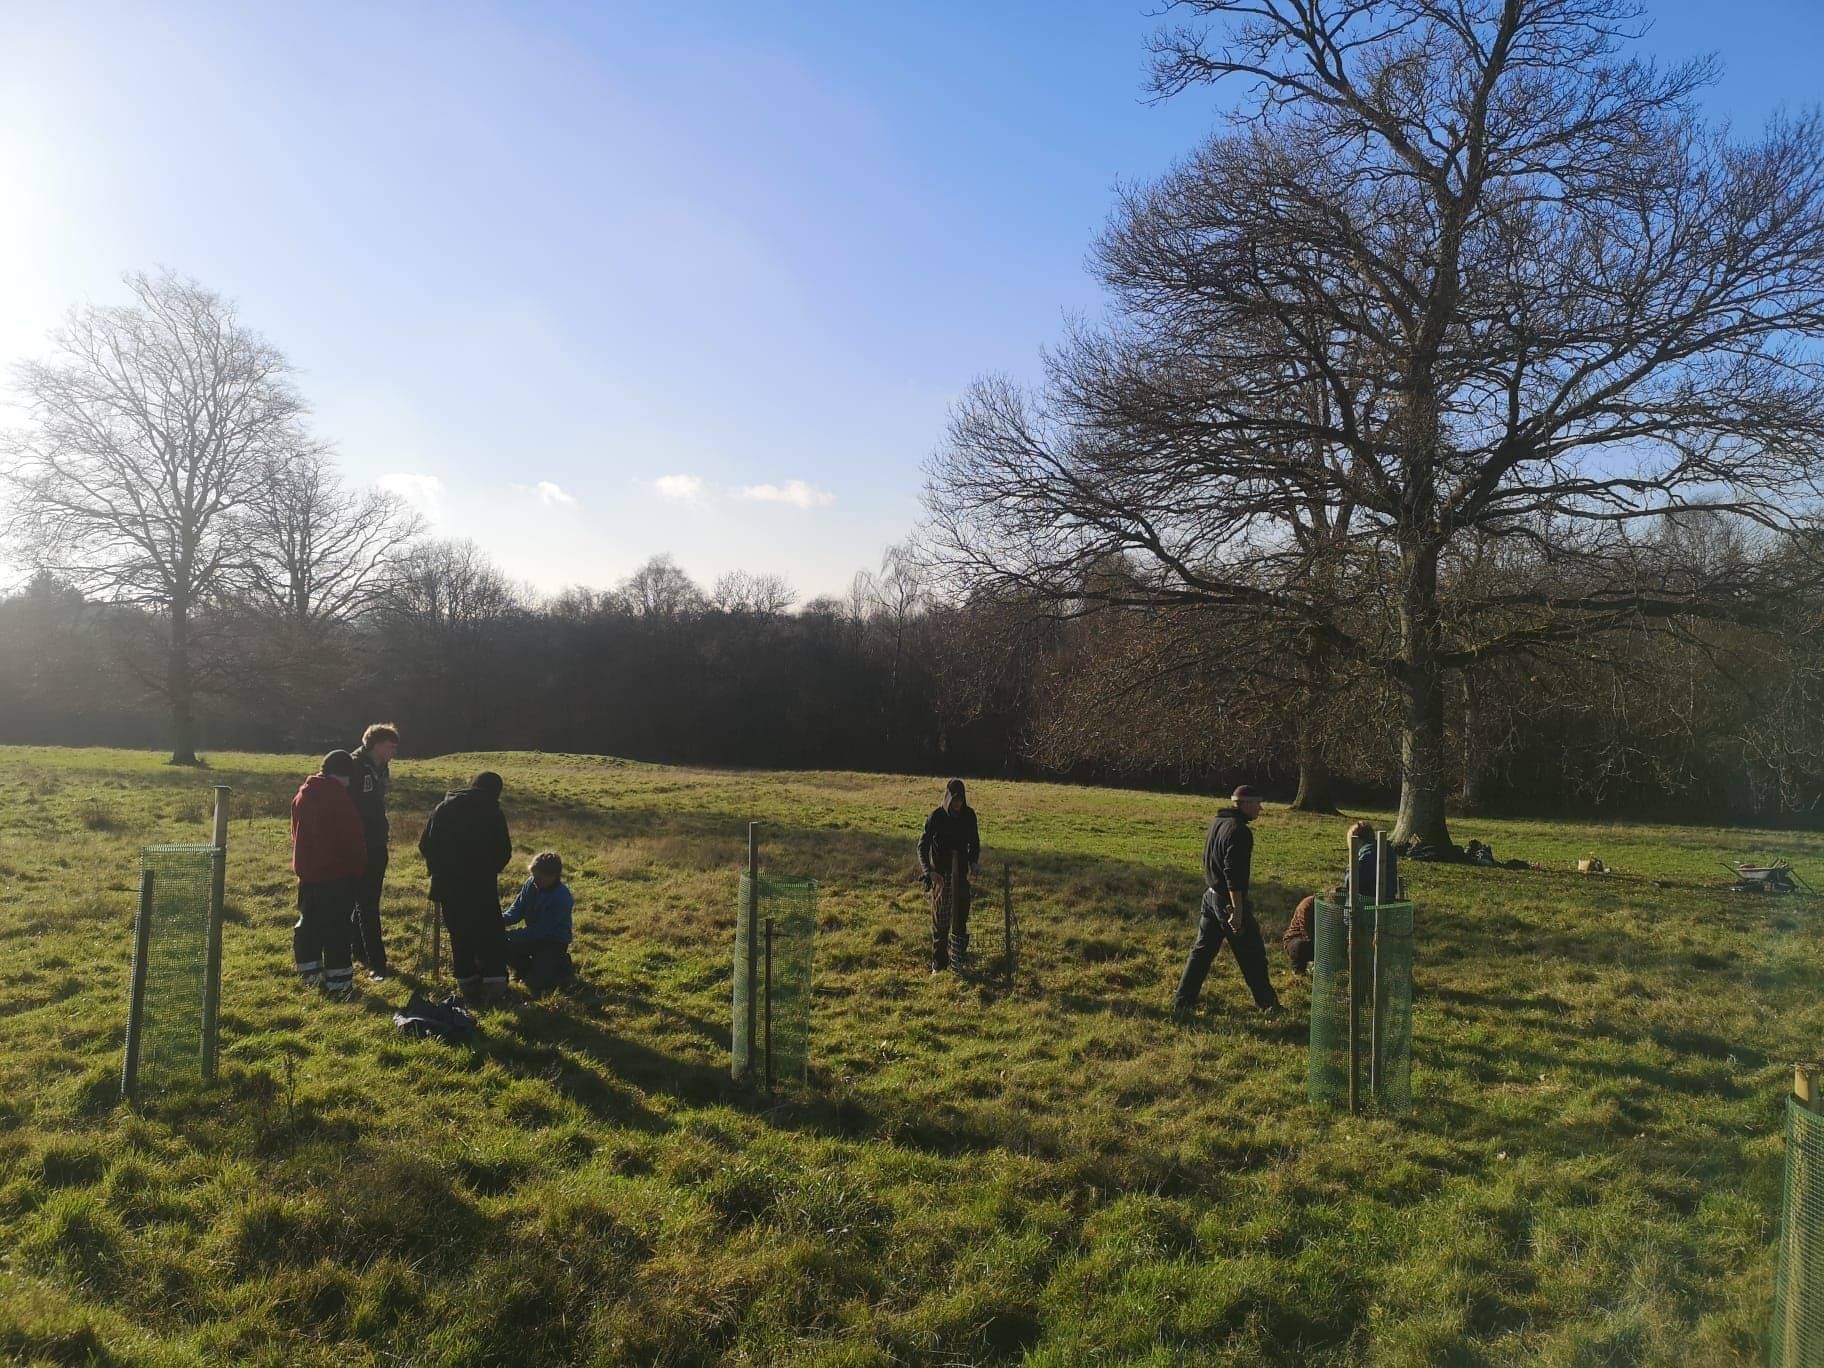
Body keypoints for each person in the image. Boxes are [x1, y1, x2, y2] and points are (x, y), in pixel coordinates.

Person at [1173, 784, 1281, 1018]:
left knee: (1201, 952)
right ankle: (1269, 1004)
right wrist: (1237, 911)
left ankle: (1182, 1001)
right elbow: (1234, 875)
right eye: (1257, 803)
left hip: (1210, 896)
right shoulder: (1240, 831)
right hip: (1227, 902)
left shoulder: (1217, 823)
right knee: (1252, 954)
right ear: (1246, 804)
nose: (1261, 808)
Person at [418, 771, 514, 1003]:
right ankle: (494, 985)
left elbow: (425, 845)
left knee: (459, 933)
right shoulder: (492, 812)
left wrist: (439, 869)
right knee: (489, 933)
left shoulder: (443, 808)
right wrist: (489, 869)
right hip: (482, 886)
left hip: (448, 885)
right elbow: (504, 851)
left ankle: (467, 983)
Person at [290, 750, 369, 1001]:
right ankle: (339, 984)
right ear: (344, 775)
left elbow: (296, 833)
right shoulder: (339, 798)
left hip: (309, 873)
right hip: (337, 874)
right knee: (337, 928)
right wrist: (358, 867)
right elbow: (352, 838)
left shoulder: (303, 795)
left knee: (309, 923)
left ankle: (309, 973)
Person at [350, 723, 400, 981]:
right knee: (366, 904)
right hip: (357, 844)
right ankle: (377, 963)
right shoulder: (354, 766)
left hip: (378, 842)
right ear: (377, 744)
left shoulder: (382, 768)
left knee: (366, 901)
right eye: (391, 746)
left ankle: (357, 950)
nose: (394, 751)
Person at [919, 778, 981, 972]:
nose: (958, 804)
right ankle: (939, 964)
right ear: (948, 798)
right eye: (954, 800)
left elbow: (975, 842)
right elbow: (922, 846)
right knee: (941, 922)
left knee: (961, 919)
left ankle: (958, 960)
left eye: (961, 800)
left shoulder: (969, 816)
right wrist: (929, 872)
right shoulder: (936, 817)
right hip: (941, 875)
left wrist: (973, 861)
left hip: (960, 875)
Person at [501, 851, 576, 994]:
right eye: (533, 875)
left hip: (553, 941)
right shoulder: (531, 884)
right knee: (504, 944)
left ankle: (560, 964)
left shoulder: (562, 898)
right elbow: (516, 911)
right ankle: (525, 969)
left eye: (539, 877)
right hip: (533, 936)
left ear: (553, 876)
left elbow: (541, 931)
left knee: (539, 985)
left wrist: (507, 935)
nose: (535, 880)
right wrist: (497, 922)